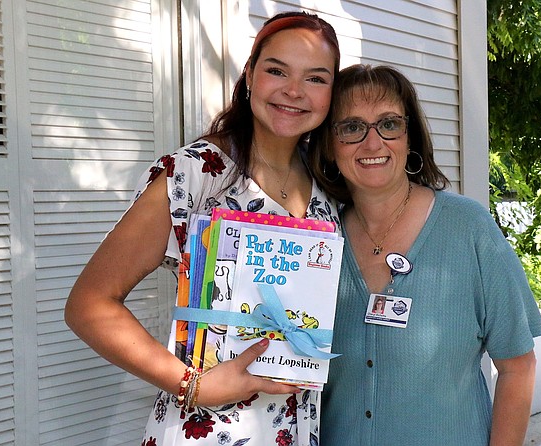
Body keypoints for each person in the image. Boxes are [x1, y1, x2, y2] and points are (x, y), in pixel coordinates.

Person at [65, 11, 341, 446]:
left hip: (293, 427)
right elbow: (90, 305)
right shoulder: (198, 172)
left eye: (316, 78)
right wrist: (195, 385)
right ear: (249, 75)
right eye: (276, 70)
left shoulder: (326, 185)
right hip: (209, 430)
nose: (294, 90)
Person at [309, 64, 541, 445]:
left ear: (410, 137)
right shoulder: (318, 239)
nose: (373, 144)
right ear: (328, 145)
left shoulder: (468, 227)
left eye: (389, 124)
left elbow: (518, 367)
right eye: (352, 127)